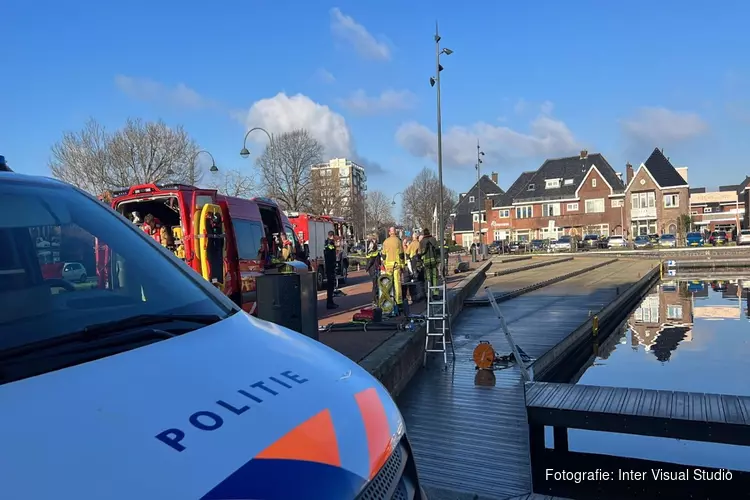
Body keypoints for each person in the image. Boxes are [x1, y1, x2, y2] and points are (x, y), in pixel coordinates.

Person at [382, 226, 405, 314]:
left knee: (388, 284)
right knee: (397, 283)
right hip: (396, 265)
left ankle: (388, 302)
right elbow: (401, 254)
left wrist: (384, 263)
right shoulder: (398, 241)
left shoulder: (385, 242)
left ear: (389, 233)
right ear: (395, 232)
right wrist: (402, 265)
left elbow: (383, 255)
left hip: (388, 266)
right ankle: (399, 302)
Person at [420, 228, 440, 298]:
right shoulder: (433, 239)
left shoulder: (422, 242)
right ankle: (436, 293)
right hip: (434, 262)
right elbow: (437, 250)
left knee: (428, 278)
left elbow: (421, 253)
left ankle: (428, 294)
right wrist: (438, 260)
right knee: (435, 277)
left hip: (426, 263)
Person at [324, 230, 338, 310]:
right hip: (330, 267)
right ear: (332, 236)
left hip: (329, 266)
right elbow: (331, 255)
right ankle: (329, 303)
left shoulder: (327, 243)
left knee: (331, 286)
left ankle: (331, 302)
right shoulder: (330, 244)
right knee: (330, 286)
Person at [365, 234, 381, 305]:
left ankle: (375, 299)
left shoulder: (370, 247)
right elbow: (372, 259)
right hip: (373, 268)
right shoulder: (373, 247)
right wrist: (367, 267)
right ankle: (374, 299)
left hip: (372, 268)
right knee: (375, 285)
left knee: (376, 284)